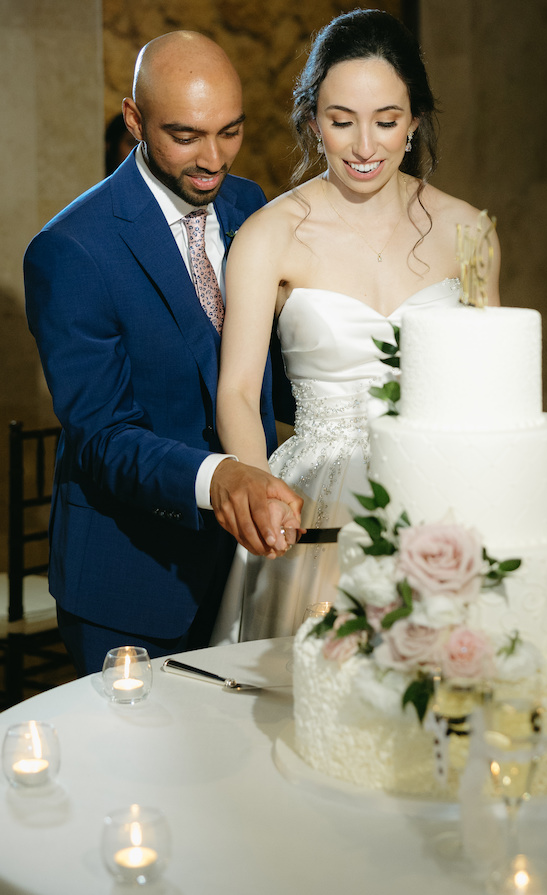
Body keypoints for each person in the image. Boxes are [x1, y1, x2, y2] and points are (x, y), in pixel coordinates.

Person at [212, 9, 500, 642]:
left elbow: (491, 382)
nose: (365, 146)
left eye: (387, 121)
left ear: (416, 120)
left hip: (442, 483)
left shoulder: (470, 233)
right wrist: (259, 495)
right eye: (342, 122)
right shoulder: (268, 236)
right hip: (318, 497)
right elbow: (236, 389)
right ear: (314, 120)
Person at [23, 31, 302, 676]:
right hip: (130, 586)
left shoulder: (249, 205)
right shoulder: (71, 250)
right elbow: (102, 437)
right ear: (134, 120)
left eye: (230, 132)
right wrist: (220, 477)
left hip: (250, 576)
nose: (213, 159)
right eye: (186, 136)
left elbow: (270, 374)